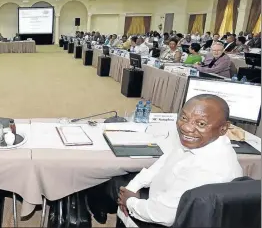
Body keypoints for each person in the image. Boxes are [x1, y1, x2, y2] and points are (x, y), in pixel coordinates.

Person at [88, 94, 242, 227]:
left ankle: (97, 208)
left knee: (110, 184)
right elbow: (163, 163)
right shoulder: (202, 143)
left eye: (200, 124)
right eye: (184, 118)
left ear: (223, 128)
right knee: (120, 181)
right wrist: (134, 187)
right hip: (163, 196)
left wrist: (130, 202)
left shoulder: (208, 168)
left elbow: (163, 215)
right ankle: (100, 207)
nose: (187, 128)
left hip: (166, 220)